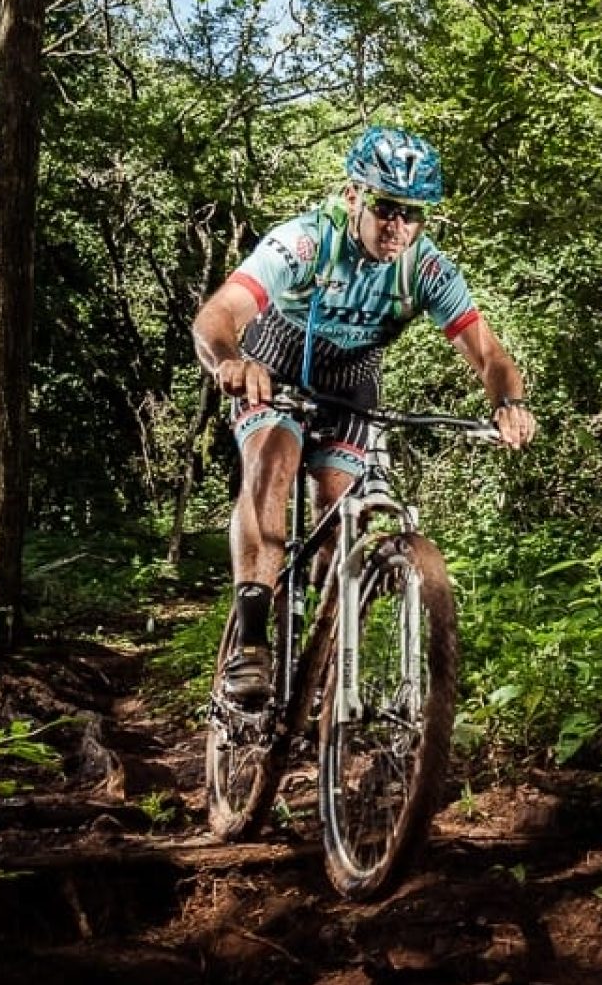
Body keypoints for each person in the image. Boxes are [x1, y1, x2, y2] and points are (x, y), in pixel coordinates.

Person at [191, 126, 535, 702]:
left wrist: (509, 402)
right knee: (272, 463)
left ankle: (324, 651)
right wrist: (230, 359)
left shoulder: (425, 270)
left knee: (338, 505)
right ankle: (251, 638)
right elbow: (218, 313)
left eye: (412, 213)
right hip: (276, 361)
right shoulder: (304, 242)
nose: (398, 225)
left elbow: (490, 354)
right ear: (354, 197)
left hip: (352, 382)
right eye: (385, 207)